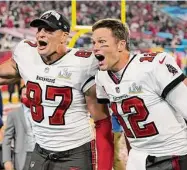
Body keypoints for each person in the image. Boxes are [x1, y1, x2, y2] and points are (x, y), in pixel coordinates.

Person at [0, 10, 113, 170]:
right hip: (40, 151)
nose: (41, 35)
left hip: (74, 154)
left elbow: (101, 120)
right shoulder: (27, 54)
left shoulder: (83, 64)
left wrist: (104, 166)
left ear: (64, 36)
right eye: (39, 29)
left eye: (49, 30)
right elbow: (7, 72)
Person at [92, 18, 187, 170]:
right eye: (94, 42)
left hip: (172, 154)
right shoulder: (102, 77)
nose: (95, 48)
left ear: (121, 45)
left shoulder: (153, 65)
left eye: (102, 42)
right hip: (138, 158)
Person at [2, 85, 35, 170]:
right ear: (20, 96)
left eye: (30, 94)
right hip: (22, 156)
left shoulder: (42, 114)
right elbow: (7, 139)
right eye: (25, 94)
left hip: (39, 156)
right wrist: (6, 160)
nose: (28, 97)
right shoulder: (13, 114)